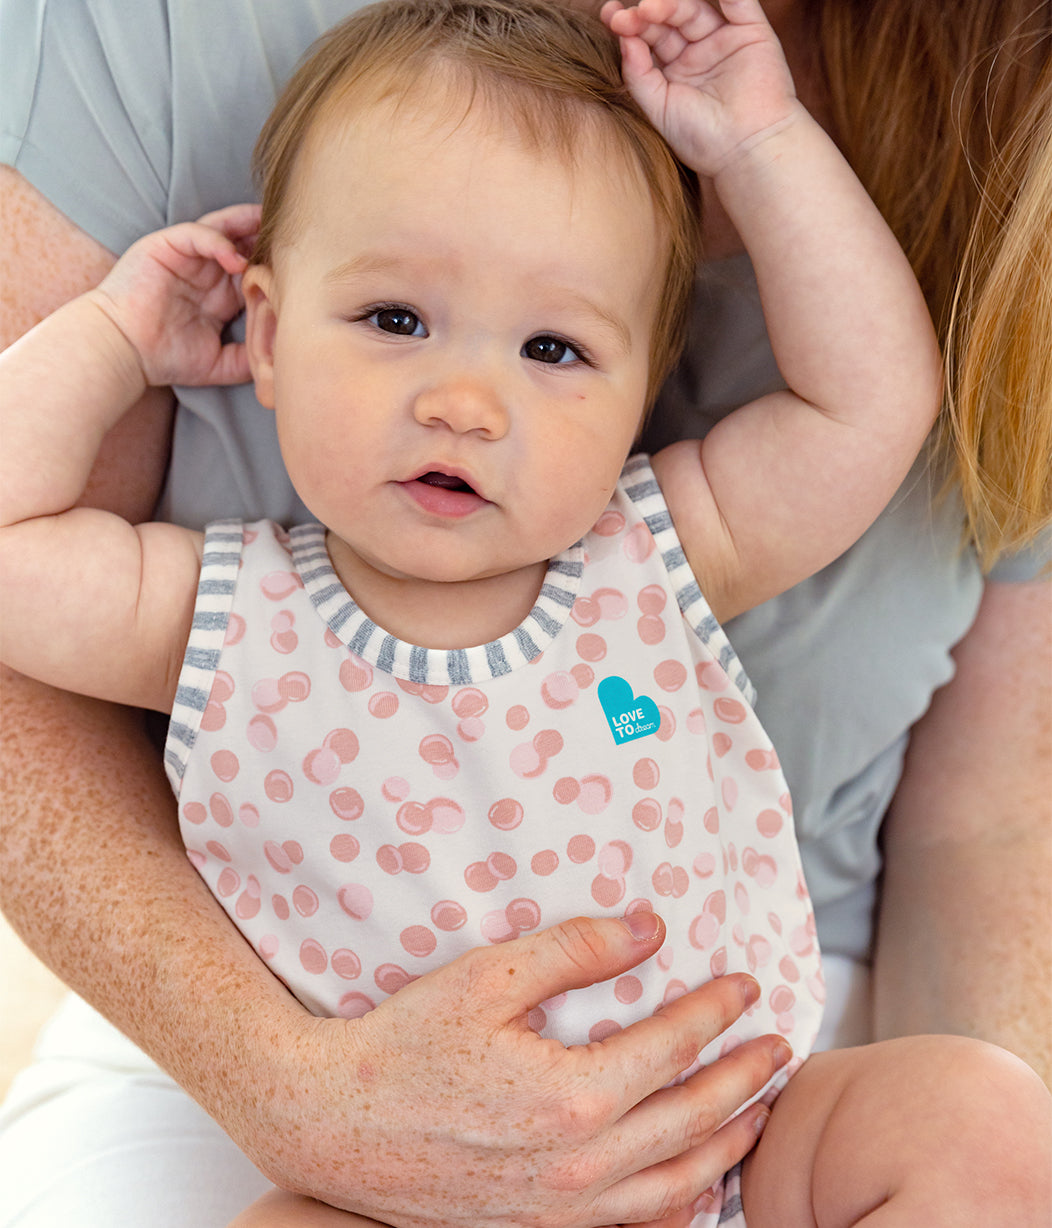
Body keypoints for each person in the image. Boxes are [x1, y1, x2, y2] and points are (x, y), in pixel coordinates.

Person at [0, 0, 1048, 1224]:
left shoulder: (655, 552)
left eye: (552, 350)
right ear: (269, 335)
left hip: (734, 1134)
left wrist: (762, 144)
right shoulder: (221, 615)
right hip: (376, 1174)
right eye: (396, 321)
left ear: (635, 397)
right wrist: (119, 335)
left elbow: (870, 401)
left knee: (977, 1118)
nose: (465, 402)